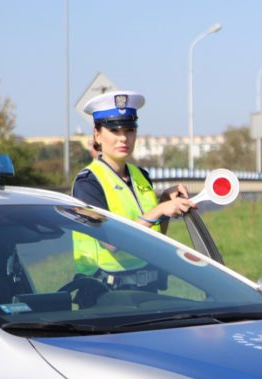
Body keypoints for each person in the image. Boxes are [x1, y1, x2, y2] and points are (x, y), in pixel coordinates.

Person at [71, 90, 194, 284]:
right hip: (104, 289)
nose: (123, 138)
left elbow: (155, 234)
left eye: (129, 130)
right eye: (114, 131)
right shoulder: (88, 183)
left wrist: (165, 201)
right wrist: (159, 210)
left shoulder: (141, 176)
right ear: (97, 135)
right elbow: (110, 242)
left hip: (146, 286)